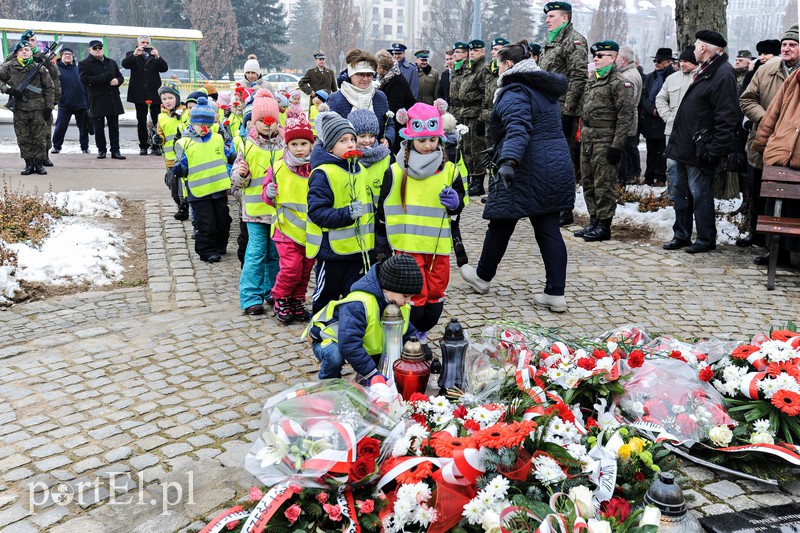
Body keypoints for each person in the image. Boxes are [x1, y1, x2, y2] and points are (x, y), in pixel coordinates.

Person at [460, 41, 574, 313]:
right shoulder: (543, 89)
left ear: (508, 65)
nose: (496, 68)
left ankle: (483, 277)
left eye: (498, 63)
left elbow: (519, 128)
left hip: (525, 168)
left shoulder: (514, 91)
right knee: (547, 230)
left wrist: (509, 159)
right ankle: (555, 294)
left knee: (500, 222)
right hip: (553, 164)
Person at [377, 102, 465, 354]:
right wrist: (381, 242)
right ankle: (411, 335)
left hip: (438, 247)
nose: (428, 145)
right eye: (422, 140)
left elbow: (459, 205)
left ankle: (424, 330)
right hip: (407, 246)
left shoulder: (449, 169)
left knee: (436, 291)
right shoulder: (395, 171)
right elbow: (381, 208)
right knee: (415, 293)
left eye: (432, 140)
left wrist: (455, 202)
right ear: (410, 138)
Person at [662, 30, 738, 254]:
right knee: (681, 192)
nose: (694, 50)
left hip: (700, 149)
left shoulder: (723, 73)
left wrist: (715, 149)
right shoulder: (708, 70)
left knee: (700, 194)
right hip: (685, 146)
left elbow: (727, 116)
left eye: (696, 46)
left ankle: (705, 239)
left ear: (703, 48)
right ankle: (681, 234)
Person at [303, 253, 423, 383]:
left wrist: (414, 355)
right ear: (388, 288)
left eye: (411, 297)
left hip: (360, 342)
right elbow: (349, 343)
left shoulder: (398, 304)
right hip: (327, 339)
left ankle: (363, 379)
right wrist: (373, 375)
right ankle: (328, 384)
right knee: (335, 355)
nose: (408, 302)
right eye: (405, 296)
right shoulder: (359, 304)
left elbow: (405, 334)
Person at [739, 25, 800, 258]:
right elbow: (747, 100)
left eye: (792, 44)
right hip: (766, 143)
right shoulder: (766, 70)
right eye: (784, 44)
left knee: (790, 201)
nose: (786, 48)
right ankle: (767, 244)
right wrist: (767, 119)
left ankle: (787, 250)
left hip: (794, 146)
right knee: (762, 194)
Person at [306, 112, 375, 314]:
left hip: (359, 251)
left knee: (353, 296)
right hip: (333, 251)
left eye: (352, 139)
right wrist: (347, 213)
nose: (351, 144)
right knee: (326, 295)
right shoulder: (323, 173)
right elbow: (317, 213)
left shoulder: (361, 170)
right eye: (343, 140)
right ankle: (318, 330)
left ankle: (345, 332)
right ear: (329, 146)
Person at [574, 41, 635, 242]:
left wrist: (617, 145)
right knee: (588, 182)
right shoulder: (593, 80)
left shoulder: (619, 82)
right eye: (595, 56)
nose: (596, 59)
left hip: (605, 140)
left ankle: (604, 225)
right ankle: (593, 221)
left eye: (600, 55)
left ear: (613, 57)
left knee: (603, 184)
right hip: (588, 139)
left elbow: (626, 116)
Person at [230, 91, 284, 315]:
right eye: (261, 121)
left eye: (270, 121)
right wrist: (242, 175)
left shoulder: (285, 145)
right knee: (256, 252)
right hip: (254, 211)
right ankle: (251, 297)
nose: (266, 125)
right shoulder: (247, 145)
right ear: (254, 122)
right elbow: (235, 180)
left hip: (278, 211)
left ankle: (273, 289)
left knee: (276, 253)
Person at [262, 110, 316, 324]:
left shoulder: (317, 168)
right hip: (285, 229)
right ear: (287, 146)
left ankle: (297, 299)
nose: (299, 149)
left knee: (305, 270)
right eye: (294, 145)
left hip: (310, 231)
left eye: (304, 144)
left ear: (311, 144)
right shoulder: (278, 166)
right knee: (291, 268)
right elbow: (266, 196)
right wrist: (269, 193)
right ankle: (281, 297)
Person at [539, 1, 588, 227]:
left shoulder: (574, 40)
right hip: (548, 108)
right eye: (547, 16)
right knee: (549, 160)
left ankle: (565, 209)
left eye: (552, 16)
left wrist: (569, 114)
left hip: (562, 110)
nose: (547, 20)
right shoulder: (549, 42)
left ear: (565, 18)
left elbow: (578, 78)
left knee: (563, 161)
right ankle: (550, 204)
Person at [172, 97, 234, 263]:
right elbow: (181, 165)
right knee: (205, 223)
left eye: (208, 124)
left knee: (223, 221)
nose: (204, 128)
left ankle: (220, 245)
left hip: (219, 189)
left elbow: (224, 157)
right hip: (199, 192)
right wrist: (180, 169)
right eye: (200, 125)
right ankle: (206, 250)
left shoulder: (217, 139)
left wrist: (233, 158)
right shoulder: (185, 142)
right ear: (192, 124)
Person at [0, 40, 54, 175]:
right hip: (19, 109)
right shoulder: (8, 67)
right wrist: (8, 90)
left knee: (39, 137)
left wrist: (49, 107)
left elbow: (49, 88)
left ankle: (39, 164)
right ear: (17, 52)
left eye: (27, 49)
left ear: (31, 52)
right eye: (21, 50)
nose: (24, 51)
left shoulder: (40, 68)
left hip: (38, 109)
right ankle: (28, 164)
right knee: (23, 137)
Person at [326, 49, 394, 147]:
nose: (365, 79)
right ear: (351, 74)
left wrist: (387, 138)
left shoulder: (380, 97)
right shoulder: (335, 99)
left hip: (378, 153)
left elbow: (389, 124)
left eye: (369, 75)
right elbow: (330, 131)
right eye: (360, 74)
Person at [655, 47, 699, 195]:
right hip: (672, 129)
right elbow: (660, 98)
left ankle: (688, 195)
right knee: (671, 164)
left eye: (686, 61)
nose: (682, 64)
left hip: (693, 131)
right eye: (680, 61)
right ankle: (672, 193)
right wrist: (668, 117)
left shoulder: (701, 78)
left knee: (691, 167)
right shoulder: (672, 78)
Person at [16, 30, 60, 167]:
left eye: (33, 41)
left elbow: (55, 78)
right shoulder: (14, 57)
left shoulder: (43, 58)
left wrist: (53, 101)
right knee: (25, 134)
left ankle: (44, 156)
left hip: (42, 102)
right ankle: (29, 162)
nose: (30, 43)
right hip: (22, 102)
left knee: (45, 131)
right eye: (27, 41)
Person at [121, 35, 169, 156]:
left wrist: (158, 56)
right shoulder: (132, 54)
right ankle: (143, 146)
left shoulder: (154, 55)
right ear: (138, 43)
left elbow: (164, 68)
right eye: (143, 42)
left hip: (154, 93)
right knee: (141, 121)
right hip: (139, 93)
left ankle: (157, 145)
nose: (145, 45)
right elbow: (125, 64)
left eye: (147, 42)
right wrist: (135, 55)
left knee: (156, 121)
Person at [79, 40, 126, 160]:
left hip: (112, 99)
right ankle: (101, 150)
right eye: (95, 48)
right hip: (97, 99)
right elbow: (85, 80)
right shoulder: (84, 64)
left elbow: (120, 76)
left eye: (100, 48)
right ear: (90, 50)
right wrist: (105, 77)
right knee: (99, 128)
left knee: (114, 127)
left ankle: (115, 150)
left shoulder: (111, 62)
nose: (98, 50)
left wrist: (118, 81)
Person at [639, 47, 674, 186]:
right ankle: (649, 176)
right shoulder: (650, 77)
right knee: (651, 151)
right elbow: (644, 96)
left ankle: (660, 177)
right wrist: (651, 109)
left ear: (668, 62)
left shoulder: (673, 77)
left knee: (663, 152)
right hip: (650, 120)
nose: (656, 63)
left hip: (664, 120)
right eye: (655, 60)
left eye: (659, 61)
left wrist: (660, 111)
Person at [153, 81, 187, 220]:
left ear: (177, 98)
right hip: (170, 158)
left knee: (184, 185)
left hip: (186, 156)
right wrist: (157, 139)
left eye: (170, 98)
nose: (168, 101)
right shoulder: (161, 116)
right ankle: (178, 202)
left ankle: (185, 206)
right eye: (164, 99)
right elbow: (161, 134)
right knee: (173, 184)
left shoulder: (186, 113)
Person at [460, 39, 488, 196]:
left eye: (476, 51)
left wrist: (481, 118)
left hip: (476, 113)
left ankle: (478, 181)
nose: (472, 53)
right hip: (467, 112)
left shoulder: (483, 69)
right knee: (467, 149)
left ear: (483, 52)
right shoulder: (470, 68)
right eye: (471, 51)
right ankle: (472, 178)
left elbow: (485, 94)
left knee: (477, 149)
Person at [348, 108, 391, 208]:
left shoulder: (385, 156)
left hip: (379, 216)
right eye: (362, 136)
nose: (367, 141)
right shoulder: (347, 158)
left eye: (371, 136)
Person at [375, 49, 416, 153]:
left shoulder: (396, 82)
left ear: (380, 68)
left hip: (400, 128)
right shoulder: (386, 78)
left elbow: (394, 110)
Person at [51, 48, 89, 155]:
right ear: (61, 56)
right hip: (65, 104)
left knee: (83, 128)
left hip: (81, 103)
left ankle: (85, 147)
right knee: (61, 127)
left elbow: (86, 85)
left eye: (69, 54)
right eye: (65, 54)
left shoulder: (79, 69)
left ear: (73, 57)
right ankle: (56, 147)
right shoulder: (56, 69)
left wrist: (88, 101)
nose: (67, 56)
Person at [482, 38, 510, 171]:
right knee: (489, 152)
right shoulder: (488, 70)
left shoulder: (509, 71)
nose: (493, 52)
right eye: (492, 49)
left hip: (501, 117)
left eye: (497, 49)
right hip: (489, 117)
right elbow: (484, 93)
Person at [615, 46, 642, 186]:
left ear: (624, 60)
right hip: (628, 120)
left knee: (623, 154)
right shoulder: (629, 73)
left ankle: (621, 184)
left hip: (625, 121)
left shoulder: (628, 77)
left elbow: (627, 104)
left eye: (617, 57)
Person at [448, 42, 469, 124]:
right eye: (454, 52)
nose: (454, 55)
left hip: (463, 111)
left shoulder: (468, 69)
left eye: (457, 52)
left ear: (465, 54)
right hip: (453, 110)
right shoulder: (455, 68)